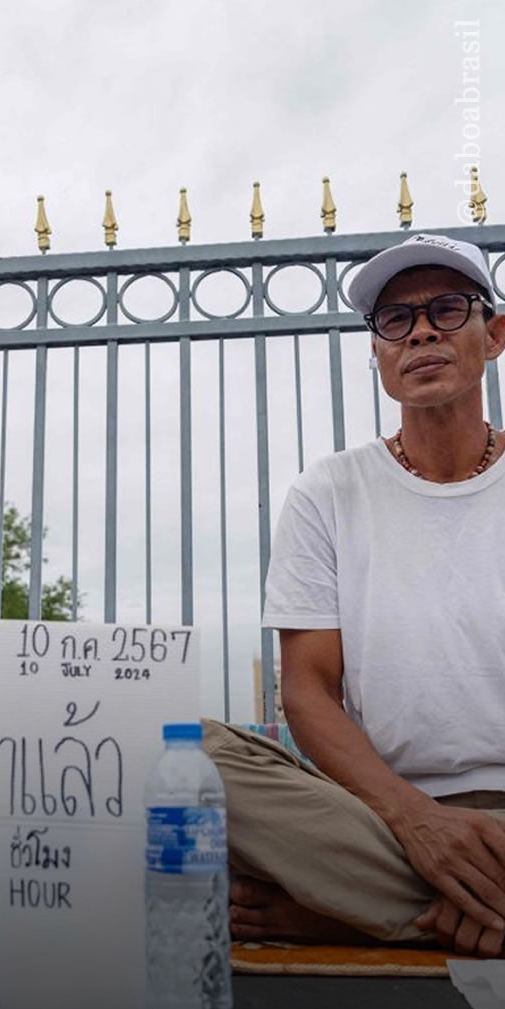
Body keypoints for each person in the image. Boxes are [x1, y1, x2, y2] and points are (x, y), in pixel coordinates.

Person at [204, 233, 505, 958]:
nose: (422, 330)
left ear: (494, 336)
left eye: (447, 309)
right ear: (378, 355)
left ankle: (361, 918)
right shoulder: (328, 492)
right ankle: (471, 915)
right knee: (196, 757)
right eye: (396, 320)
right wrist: (418, 823)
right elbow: (306, 690)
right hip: (386, 818)